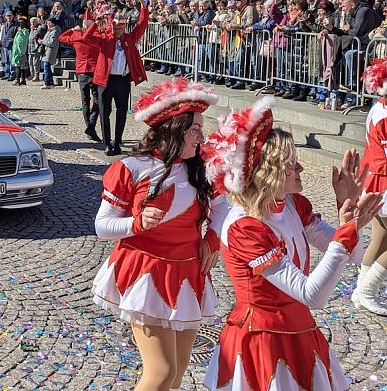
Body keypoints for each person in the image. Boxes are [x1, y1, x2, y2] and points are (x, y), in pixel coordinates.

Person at [202, 97, 381, 390]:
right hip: (262, 339)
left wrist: (347, 216)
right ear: (266, 172)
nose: (301, 168)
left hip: (300, 331)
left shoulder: (293, 205)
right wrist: (347, 230)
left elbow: (354, 256)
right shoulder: (244, 226)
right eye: (290, 164)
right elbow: (312, 295)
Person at [93, 79, 224, 391]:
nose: (201, 137)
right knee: (162, 372)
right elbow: (102, 226)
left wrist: (212, 241)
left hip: (188, 274)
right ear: (172, 128)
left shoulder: (201, 168)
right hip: (147, 275)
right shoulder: (132, 167)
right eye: (194, 129)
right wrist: (136, 223)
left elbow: (222, 208)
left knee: (176, 374)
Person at [91, 1, 149, 156]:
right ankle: (107, 142)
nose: (117, 31)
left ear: (124, 27)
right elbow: (88, 36)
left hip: (122, 80)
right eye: (115, 28)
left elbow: (142, 25)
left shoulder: (129, 38)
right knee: (104, 112)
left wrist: (143, 7)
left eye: (120, 28)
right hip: (105, 80)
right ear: (112, 26)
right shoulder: (105, 38)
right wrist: (96, 23)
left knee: (122, 112)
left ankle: (117, 141)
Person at [354, 59, 387, 315]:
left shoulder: (378, 108)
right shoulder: (384, 115)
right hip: (382, 179)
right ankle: (367, 290)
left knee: (380, 237)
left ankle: (361, 289)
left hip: (375, 178)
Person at [59, 16, 104, 141]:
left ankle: (89, 127)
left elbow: (61, 37)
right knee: (97, 100)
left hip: (81, 70)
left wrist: (72, 29)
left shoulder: (76, 37)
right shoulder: (96, 37)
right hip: (94, 70)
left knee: (85, 101)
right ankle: (91, 125)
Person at [38, 18, 60, 89]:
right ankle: (50, 82)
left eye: (49, 23)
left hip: (50, 51)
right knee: (48, 67)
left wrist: (42, 41)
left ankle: (47, 83)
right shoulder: (49, 31)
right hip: (46, 51)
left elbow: (52, 43)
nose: (48, 24)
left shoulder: (55, 32)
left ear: (53, 23)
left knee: (46, 67)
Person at [10, 20, 30, 85]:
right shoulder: (17, 32)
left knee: (20, 66)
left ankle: (18, 79)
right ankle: (21, 80)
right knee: (19, 66)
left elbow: (24, 39)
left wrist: (21, 32)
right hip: (16, 51)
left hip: (21, 51)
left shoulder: (25, 31)